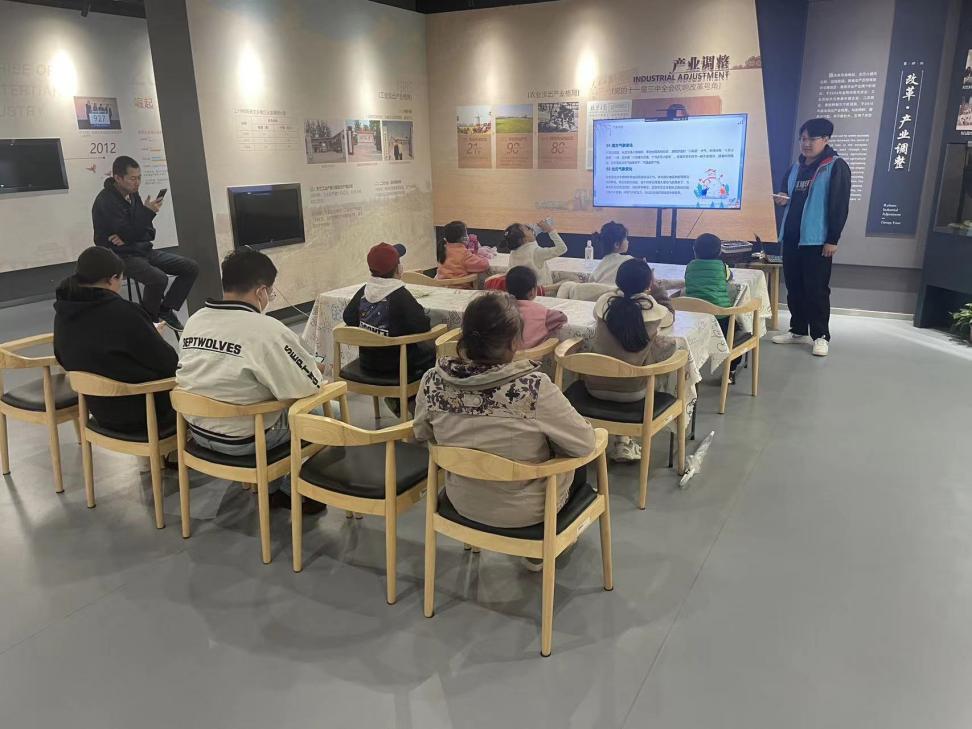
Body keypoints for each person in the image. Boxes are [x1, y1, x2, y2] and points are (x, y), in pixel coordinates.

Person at [413, 292, 595, 546]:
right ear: (513, 343)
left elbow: (421, 433)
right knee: (576, 461)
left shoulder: (433, 381)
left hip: (462, 499)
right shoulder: (533, 388)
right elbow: (585, 443)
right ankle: (541, 552)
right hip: (529, 512)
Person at [175, 248, 324, 510]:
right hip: (245, 440)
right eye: (271, 293)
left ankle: (272, 487)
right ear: (261, 291)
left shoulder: (195, 320)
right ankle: (296, 491)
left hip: (197, 432)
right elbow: (309, 385)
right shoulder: (266, 330)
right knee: (327, 410)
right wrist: (315, 369)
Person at [53, 246, 178, 434]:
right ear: (112, 279)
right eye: (121, 279)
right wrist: (154, 336)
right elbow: (169, 364)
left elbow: (62, 357)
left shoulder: (63, 311)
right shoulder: (125, 313)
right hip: (147, 414)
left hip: (99, 412)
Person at [92, 155, 199, 332]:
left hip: (141, 249)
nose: (137, 183)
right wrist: (145, 216)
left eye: (139, 177)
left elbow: (148, 232)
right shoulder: (106, 201)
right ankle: (148, 321)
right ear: (117, 178)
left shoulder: (133, 195)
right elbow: (131, 230)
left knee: (190, 267)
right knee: (158, 279)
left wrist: (131, 232)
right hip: (119, 256)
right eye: (132, 178)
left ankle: (165, 309)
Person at [773, 118, 851, 357]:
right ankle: (798, 330)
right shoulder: (796, 166)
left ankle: (821, 335)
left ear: (826, 139)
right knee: (794, 287)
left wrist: (833, 239)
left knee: (816, 289)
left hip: (817, 240)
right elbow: (785, 191)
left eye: (811, 139)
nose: (805, 144)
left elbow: (839, 205)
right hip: (792, 238)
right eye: (802, 139)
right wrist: (781, 198)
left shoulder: (835, 166)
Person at [584, 259, 677, 462]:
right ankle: (625, 442)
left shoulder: (604, 303)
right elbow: (670, 317)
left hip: (594, 386)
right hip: (633, 392)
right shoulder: (653, 309)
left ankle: (621, 440)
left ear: (618, 281)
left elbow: (599, 313)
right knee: (659, 355)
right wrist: (659, 292)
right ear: (648, 284)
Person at [343, 242, 435, 415]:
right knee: (434, 350)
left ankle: (399, 400)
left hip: (367, 361)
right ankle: (416, 404)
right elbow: (422, 325)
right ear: (398, 269)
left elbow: (348, 316)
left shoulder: (365, 290)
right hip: (397, 366)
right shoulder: (399, 294)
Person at [684, 233, 742, 382]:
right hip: (719, 316)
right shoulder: (722, 267)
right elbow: (730, 277)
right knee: (736, 333)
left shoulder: (690, 266)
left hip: (693, 317)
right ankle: (731, 370)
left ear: (694, 250)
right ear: (720, 252)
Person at [505, 265, 567, 349]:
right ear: (532, 292)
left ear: (507, 290)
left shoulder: (501, 309)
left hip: (504, 356)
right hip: (534, 356)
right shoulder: (542, 313)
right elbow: (562, 318)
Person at [503, 218, 568, 289]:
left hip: (522, 290)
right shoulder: (536, 252)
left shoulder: (513, 252)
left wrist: (534, 233)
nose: (531, 228)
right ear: (525, 239)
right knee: (570, 281)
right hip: (543, 290)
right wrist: (550, 230)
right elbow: (562, 248)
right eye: (528, 229)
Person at [436, 220, 490, 285]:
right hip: (459, 287)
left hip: (441, 286)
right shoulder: (464, 254)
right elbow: (484, 265)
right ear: (463, 238)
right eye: (466, 233)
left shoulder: (443, 248)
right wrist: (480, 256)